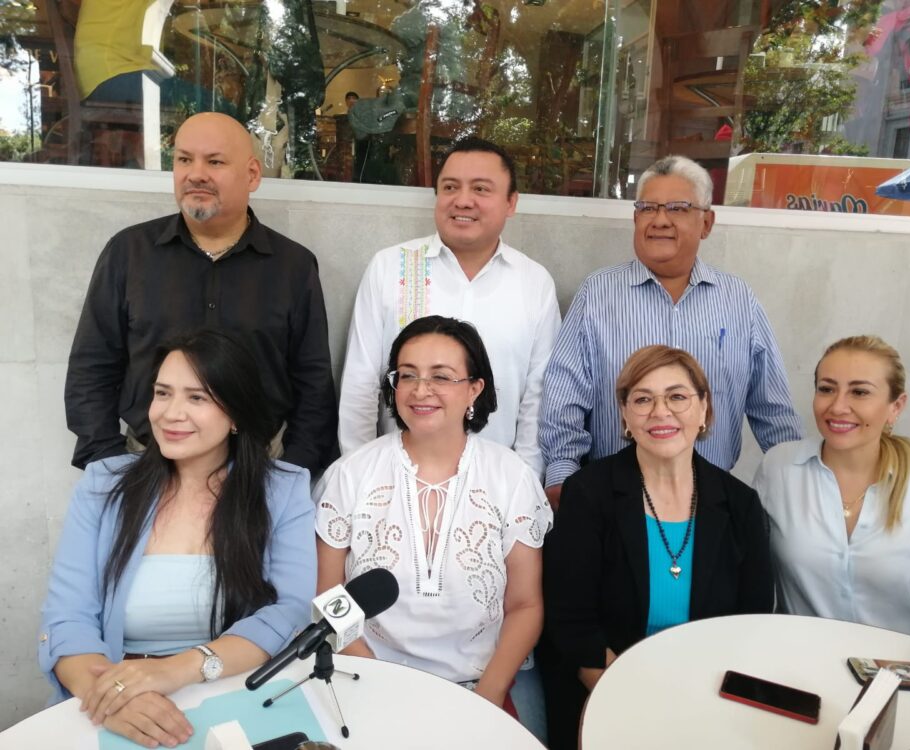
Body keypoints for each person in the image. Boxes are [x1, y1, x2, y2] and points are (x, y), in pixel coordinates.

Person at [39, 329, 317, 748]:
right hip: (117, 699)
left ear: (236, 413)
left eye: (197, 397)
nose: (171, 413)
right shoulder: (103, 485)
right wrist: (114, 698)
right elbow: (67, 617)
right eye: (162, 393)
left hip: (235, 693)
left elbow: (288, 611)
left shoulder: (282, 491)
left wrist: (181, 668)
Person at [65, 112, 339, 478]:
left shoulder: (293, 266)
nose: (196, 174)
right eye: (184, 159)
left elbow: (313, 381)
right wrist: (108, 461)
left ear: (252, 175)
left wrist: (292, 471)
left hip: (260, 469)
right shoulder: (129, 253)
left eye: (215, 162)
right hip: (147, 463)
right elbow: (92, 366)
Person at [314, 316, 552, 722]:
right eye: (407, 375)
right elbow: (328, 596)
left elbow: (525, 605)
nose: (421, 390)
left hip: (482, 685)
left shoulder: (511, 478)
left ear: (475, 388)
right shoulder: (351, 474)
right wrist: (376, 682)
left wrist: (488, 695)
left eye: (441, 376)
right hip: (366, 676)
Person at [541, 345, 773, 749]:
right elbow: (573, 623)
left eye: (677, 397)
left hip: (708, 697)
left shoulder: (741, 504)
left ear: (704, 409)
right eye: (643, 399)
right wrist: (638, 705)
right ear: (625, 415)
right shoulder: (588, 494)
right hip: (607, 690)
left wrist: (698, 709)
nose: (660, 412)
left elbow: (751, 623)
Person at [539, 154, 801, 508]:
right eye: (648, 208)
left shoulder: (738, 299)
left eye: (677, 208)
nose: (660, 220)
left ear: (706, 222)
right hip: (613, 497)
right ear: (636, 218)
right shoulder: (598, 294)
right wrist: (562, 473)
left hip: (710, 498)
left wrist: (799, 482)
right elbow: (565, 391)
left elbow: (772, 407)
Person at [753, 335, 910, 702]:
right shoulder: (778, 469)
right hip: (802, 670)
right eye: (826, 389)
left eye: (860, 392)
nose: (838, 406)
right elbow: (748, 567)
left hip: (904, 676)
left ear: (896, 406)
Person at [338, 137, 560, 477]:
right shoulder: (391, 267)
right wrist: (362, 474)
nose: (463, 200)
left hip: (497, 482)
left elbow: (538, 397)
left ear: (511, 202)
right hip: (396, 478)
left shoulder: (534, 282)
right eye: (450, 187)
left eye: (481, 189)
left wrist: (524, 480)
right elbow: (361, 381)